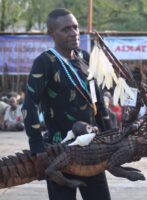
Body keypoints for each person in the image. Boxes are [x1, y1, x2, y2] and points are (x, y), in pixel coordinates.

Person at [22, 8, 111, 200]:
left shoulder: (85, 58)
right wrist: (37, 149)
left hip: (91, 151)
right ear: (51, 33)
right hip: (58, 152)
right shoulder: (45, 62)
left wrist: (110, 137)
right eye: (66, 29)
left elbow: (98, 102)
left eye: (76, 27)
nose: (73, 32)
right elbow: (29, 106)